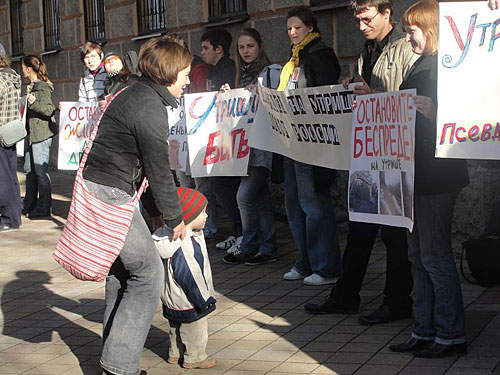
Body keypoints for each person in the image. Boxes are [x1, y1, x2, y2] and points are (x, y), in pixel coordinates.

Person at [82, 37, 191, 375]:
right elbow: (158, 169)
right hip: (110, 194)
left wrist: (155, 210)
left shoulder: (138, 94)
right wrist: (175, 218)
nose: (188, 80)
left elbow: (140, 162)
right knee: (148, 275)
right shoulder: (148, 106)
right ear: (169, 73)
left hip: (109, 189)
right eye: (185, 73)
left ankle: (113, 358)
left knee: (122, 272)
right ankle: (118, 367)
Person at [305, 0, 418, 318]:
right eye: (356, 20)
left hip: (395, 151)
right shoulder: (368, 49)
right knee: (361, 224)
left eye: (367, 19)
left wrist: (372, 96)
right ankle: (346, 294)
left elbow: (407, 98)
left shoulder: (404, 47)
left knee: (394, 232)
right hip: (372, 149)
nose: (361, 26)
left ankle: (396, 301)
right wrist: (353, 86)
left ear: (387, 14)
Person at [388, 0, 469, 358]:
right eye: (405, 31)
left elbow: (464, 119)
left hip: (437, 175)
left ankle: (450, 334)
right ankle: (424, 329)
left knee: (434, 256)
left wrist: (435, 113)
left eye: (411, 31)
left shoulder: (447, 68)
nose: (407, 38)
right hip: (417, 173)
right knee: (418, 254)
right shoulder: (423, 64)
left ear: (431, 30)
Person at [278, 6, 342, 286]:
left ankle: (326, 266)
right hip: (292, 140)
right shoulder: (294, 58)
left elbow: (323, 98)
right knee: (294, 205)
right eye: (289, 28)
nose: (292, 33)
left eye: (297, 28)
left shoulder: (320, 55)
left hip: (311, 143)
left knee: (313, 204)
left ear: (311, 29)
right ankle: (305, 261)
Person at [220, 28, 282, 265]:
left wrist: (261, 93)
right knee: (261, 200)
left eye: (250, 46)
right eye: (242, 47)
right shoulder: (240, 75)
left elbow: (278, 101)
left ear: (260, 47)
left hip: (262, 147)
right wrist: (230, 95)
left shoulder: (271, 73)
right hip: (244, 149)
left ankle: (249, 244)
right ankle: (268, 248)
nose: (246, 51)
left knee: (244, 197)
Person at [152, 187, 217, 369]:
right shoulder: (184, 244)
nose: (207, 216)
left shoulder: (166, 238)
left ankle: (175, 353)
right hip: (190, 298)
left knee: (175, 328)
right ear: (188, 216)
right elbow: (189, 274)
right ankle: (195, 357)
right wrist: (203, 299)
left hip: (172, 298)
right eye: (202, 212)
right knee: (194, 329)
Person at [200, 29, 242, 250]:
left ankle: (242, 232)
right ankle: (238, 231)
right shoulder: (215, 70)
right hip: (219, 135)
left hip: (230, 137)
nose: (202, 52)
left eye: (206, 47)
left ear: (219, 49)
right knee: (220, 185)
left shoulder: (227, 69)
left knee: (227, 186)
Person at [21, 55, 56, 219]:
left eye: (23, 67)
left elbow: (49, 110)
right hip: (31, 134)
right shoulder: (32, 86)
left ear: (29, 69)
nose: (22, 70)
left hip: (41, 134)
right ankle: (29, 204)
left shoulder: (42, 87)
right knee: (29, 170)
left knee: (41, 172)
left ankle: (44, 207)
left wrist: (34, 103)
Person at [0, 43, 22, 231]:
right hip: (11, 132)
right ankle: (14, 217)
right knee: (11, 175)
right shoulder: (12, 76)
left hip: (1, 133)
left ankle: (8, 219)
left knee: (3, 177)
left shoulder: (0, 79)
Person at [78, 41, 106, 106]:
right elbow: (82, 102)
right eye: (87, 57)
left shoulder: (107, 74)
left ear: (101, 56)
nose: (90, 61)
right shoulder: (84, 79)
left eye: (93, 56)